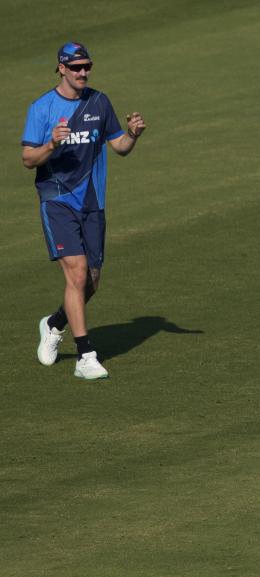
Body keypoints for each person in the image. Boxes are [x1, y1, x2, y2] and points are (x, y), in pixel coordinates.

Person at [22, 42, 146, 380]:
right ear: (61, 68)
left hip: (93, 203)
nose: (83, 72)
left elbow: (118, 146)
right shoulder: (42, 108)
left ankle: (53, 323)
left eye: (86, 66)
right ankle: (84, 355)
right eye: (76, 67)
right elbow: (28, 158)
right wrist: (51, 144)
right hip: (57, 199)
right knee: (76, 275)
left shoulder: (99, 102)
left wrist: (133, 136)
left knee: (91, 280)